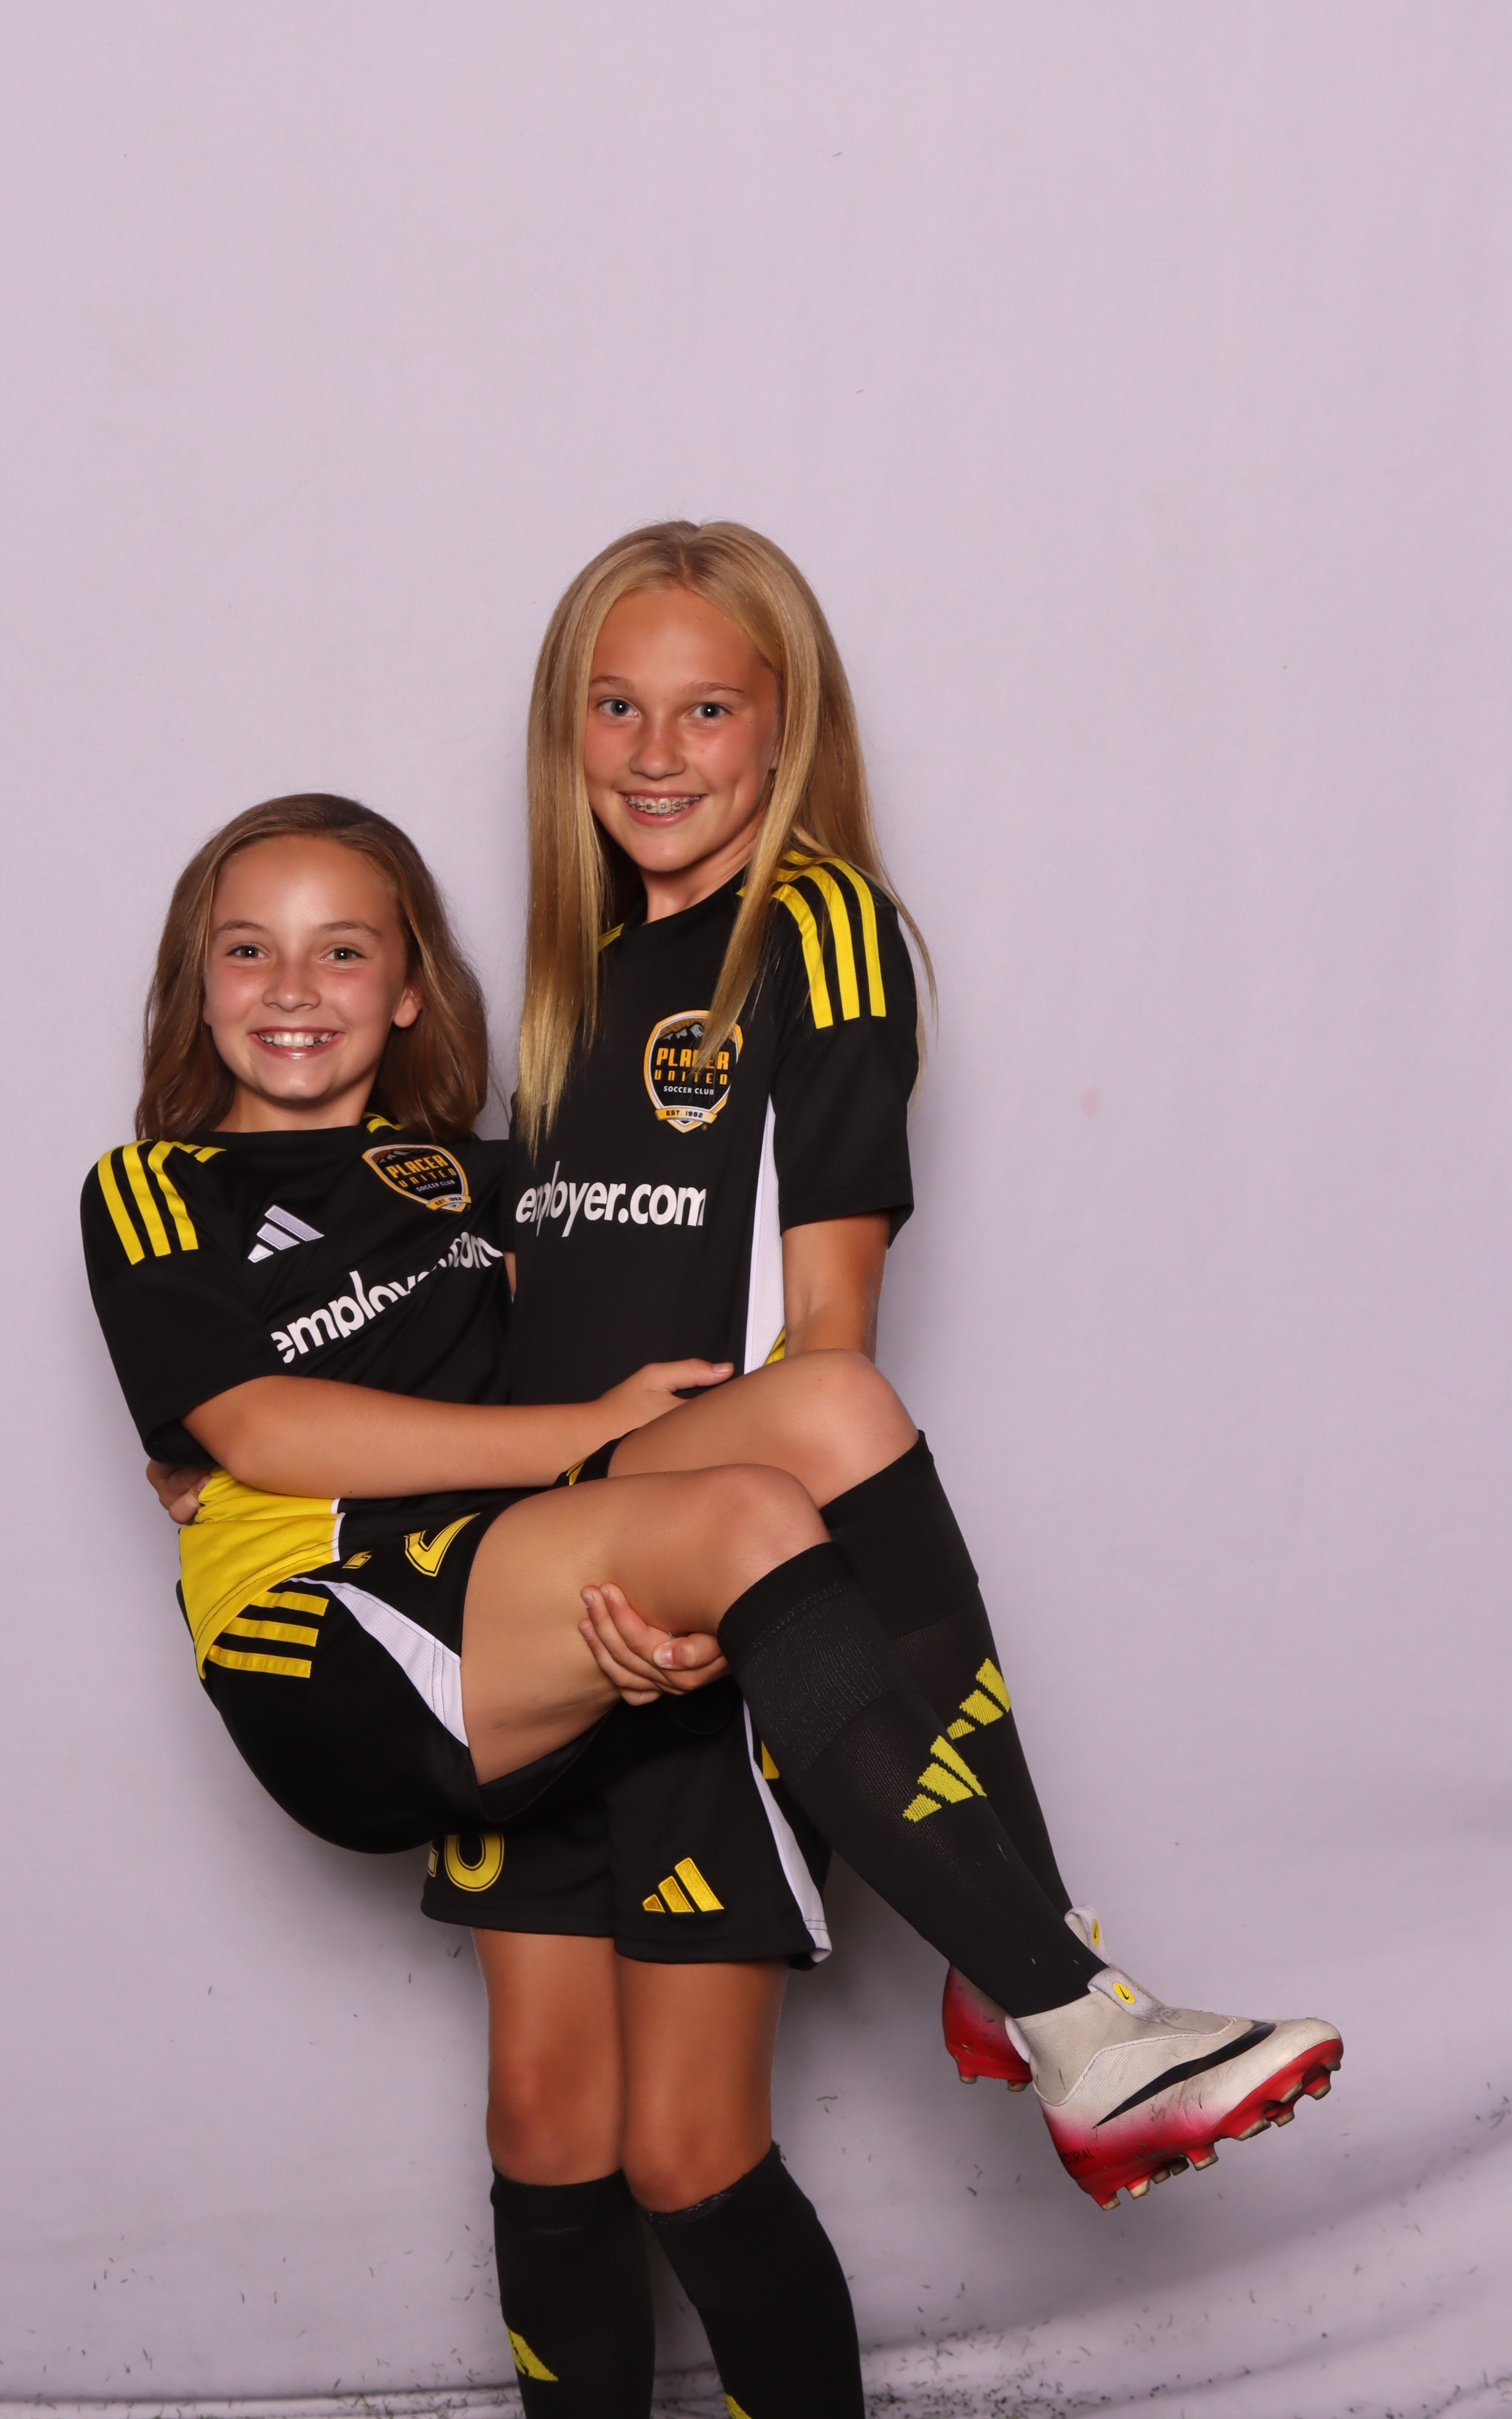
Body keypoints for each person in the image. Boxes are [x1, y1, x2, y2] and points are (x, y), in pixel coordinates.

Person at [95, 789, 1340, 2419]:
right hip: (329, 1644)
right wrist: (592, 1442)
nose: (293, 988)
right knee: (740, 1527)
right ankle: (1058, 2004)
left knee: (828, 1410)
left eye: (344, 951)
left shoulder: (478, 1180)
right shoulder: (152, 1188)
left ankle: (1041, 1984)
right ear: (194, 986)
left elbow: (609, 1321)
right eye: (247, 951)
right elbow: (262, 1431)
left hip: (506, 1595)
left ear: (410, 990)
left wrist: (672, 1582)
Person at [414, 521, 1097, 2416]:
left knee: (685, 2153)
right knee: (543, 2121)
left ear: (788, 727)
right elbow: (507, 1321)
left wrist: (719, 1588)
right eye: (615, 707)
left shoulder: (819, 929)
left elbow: (830, 1348)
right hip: (546, 1613)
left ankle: (1049, 1974)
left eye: (707, 709)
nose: (655, 753)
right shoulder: (569, 986)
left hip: (713, 1624)